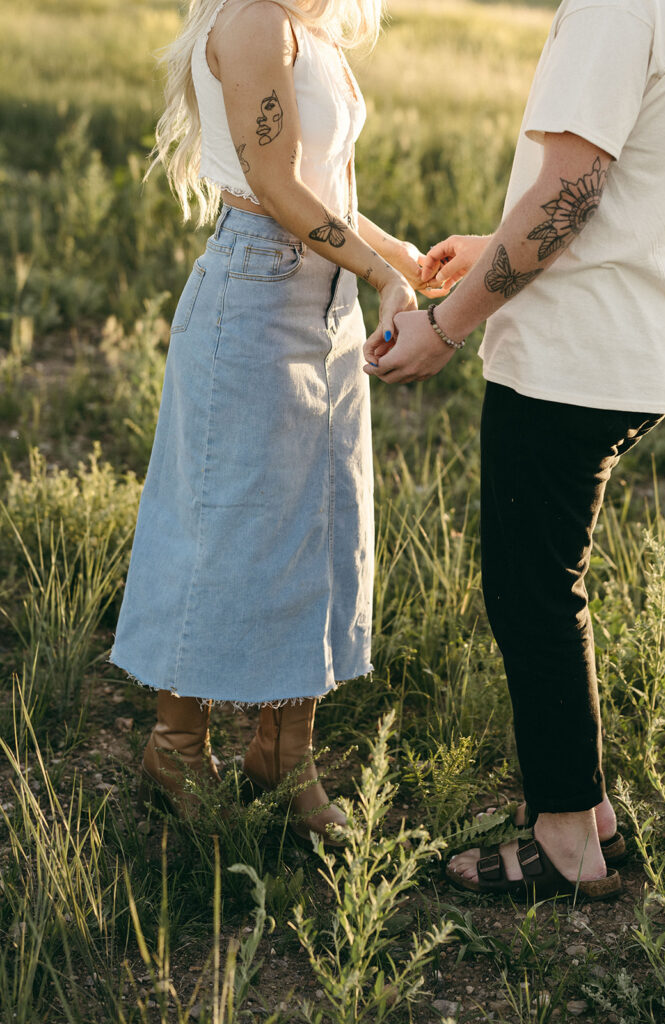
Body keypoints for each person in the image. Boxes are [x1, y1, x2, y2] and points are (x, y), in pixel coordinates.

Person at [365, 0, 665, 899]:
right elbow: (628, 188)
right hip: (639, 345)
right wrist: (491, 250)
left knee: (531, 594)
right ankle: (588, 818)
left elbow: (570, 195)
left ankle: (563, 845)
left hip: (569, 356)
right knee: (551, 583)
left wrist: (446, 325)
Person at [110, 0, 427, 844]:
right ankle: (175, 747)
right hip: (255, 296)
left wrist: (400, 260)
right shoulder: (253, 20)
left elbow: (321, 193)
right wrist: (377, 272)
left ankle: (282, 760)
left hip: (323, 297)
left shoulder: (307, 27)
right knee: (219, 521)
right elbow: (276, 188)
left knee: (311, 524)